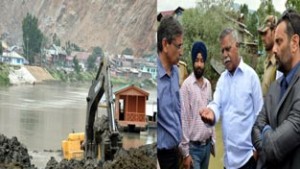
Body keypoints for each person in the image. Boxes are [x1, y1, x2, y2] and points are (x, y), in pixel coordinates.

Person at [200, 28, 263, 169]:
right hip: (228, 162)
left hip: (248, 160)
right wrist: (211, 113)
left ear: (237, 47)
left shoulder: (251, 77)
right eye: (222, 51)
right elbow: (216, 104)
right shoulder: (222, 80)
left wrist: (256, 151)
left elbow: (260, 116)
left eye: (228, 49)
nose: (225, 55)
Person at [251, 9, 300, 169]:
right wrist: (268, 133)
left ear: (294, 43)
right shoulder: (275, 86)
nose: (274, 49)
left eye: (279, 42)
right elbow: (255, 127)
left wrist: (265, 131)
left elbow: (273, 148)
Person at [179, 41, 215, 169]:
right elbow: (184, 120)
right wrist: (186, 154)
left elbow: (212, 114)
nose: (199, 64)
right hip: (193, 149)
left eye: (202, 60)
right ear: (193, 61)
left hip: (206, 148)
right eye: (197, 60)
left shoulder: (208, 85)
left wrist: (213, 141)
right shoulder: (186, 87)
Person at [157, 15, 183, 169]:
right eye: (178, 46)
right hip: (162, 157)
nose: (181, 51)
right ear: (165, 44)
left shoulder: (176, 73)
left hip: (175, 153)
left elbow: (177, 112)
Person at [258, 15, 280, 96]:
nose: (262, 38)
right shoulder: (267, 62)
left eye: (265, 33)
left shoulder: (279, 63)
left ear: (274, 32)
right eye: (261, 34)